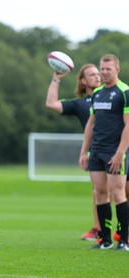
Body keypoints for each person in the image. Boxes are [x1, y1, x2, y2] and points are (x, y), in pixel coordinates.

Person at [45, 64, 102, 241]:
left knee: (124, 191)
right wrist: (56, 78)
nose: (97, 76)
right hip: (97, 152)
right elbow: (51, 103)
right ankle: (98, 230)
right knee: (98, 191)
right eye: (92, 75)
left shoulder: (114, 96)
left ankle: (124, 232)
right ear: (83, 81)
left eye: (98, 73)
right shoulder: (80, 103)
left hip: (119, 150)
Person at [79, 53, 129, 251]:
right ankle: (105, 240)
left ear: (117, 69)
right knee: (100, 194)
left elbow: (128, 125)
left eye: (108, 68)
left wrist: (120, 153)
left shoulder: (124, 92)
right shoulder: (97, 93)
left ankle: (124, 240)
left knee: (118, 193)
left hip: (114, 151)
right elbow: (91, 124)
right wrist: (84, 152)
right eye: (102, 68)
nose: (104, 72)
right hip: (97, 152)